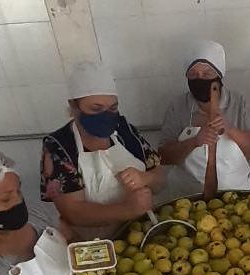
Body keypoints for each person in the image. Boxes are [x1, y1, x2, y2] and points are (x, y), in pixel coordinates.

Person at [41, 62, 164, 240]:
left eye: (113, 108)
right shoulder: (59, 146)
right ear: (73, 106)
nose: (106, 116)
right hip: (98, 243)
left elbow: (160, 177)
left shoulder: (125, 131)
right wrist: (127, 210)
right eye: (96, 109)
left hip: (145, 233)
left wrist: (146, 178)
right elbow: (72, 212)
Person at [158, 40, 250, 197]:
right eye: (193, 74)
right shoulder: (178, 106)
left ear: (219, 77)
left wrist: (230, 129)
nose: (200, 79)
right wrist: (194, 141)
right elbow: (163, 157)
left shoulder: (238, 103)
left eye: (207, 74)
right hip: (186, 197)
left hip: (235, 196)